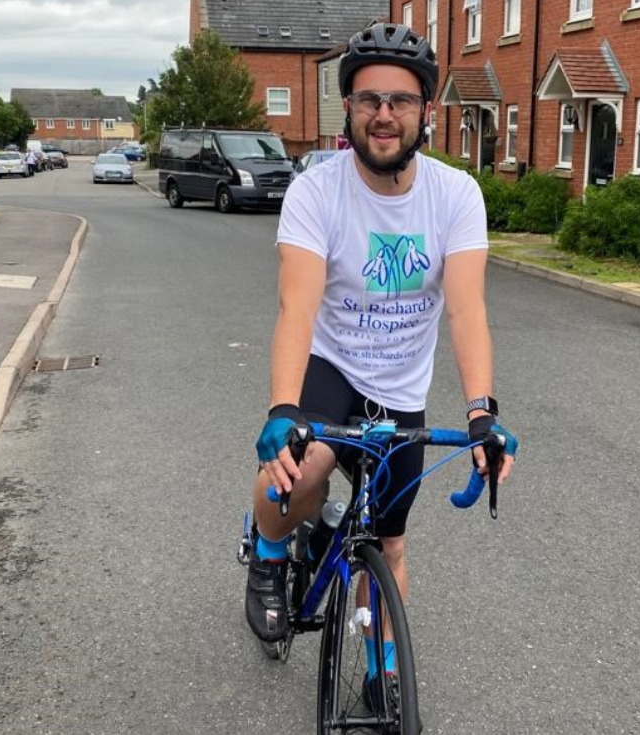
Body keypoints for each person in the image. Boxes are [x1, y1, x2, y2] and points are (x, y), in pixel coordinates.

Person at [246, 19, 518, 681]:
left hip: (400, 388)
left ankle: (380, 668)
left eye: (399, 100)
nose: (384, 115)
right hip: (332, 364)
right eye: (368, 99)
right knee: (300, 467)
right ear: (349, 108)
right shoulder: (317, 191)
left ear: (426, 110)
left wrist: (481, 413)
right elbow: (298, 306)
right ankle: (269, 549)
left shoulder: (455, 194)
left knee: (388, 542)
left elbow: (465, 309)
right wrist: (283, 406)